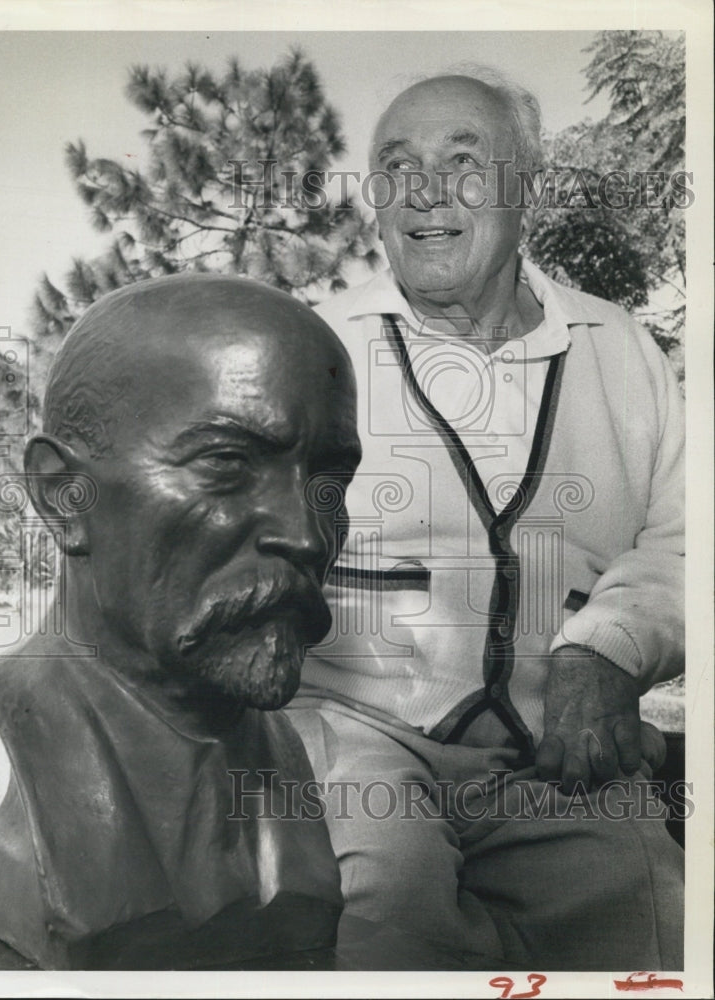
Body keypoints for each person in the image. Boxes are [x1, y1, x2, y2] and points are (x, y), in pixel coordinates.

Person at [286, 70, 685, 970]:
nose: (424, 193)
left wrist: (610, 647)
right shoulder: (312, 348)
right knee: (385, 913)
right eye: (396, 168)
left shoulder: (622, 350)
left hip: (555, 759)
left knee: (654, 930)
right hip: (354, 738)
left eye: (462, 163)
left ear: (528, 188)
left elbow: (686, 539)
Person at [0, 273, 362, 970]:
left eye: (330, 482)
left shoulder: (286, 759)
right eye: (228, 464)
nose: (307, 535)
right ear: (65, 496)